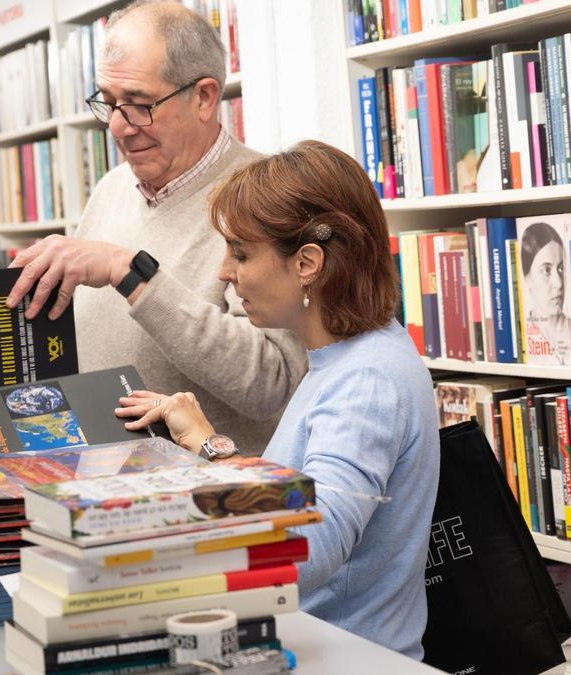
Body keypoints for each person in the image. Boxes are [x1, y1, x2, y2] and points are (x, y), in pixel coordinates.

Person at [115, 140, 440, 660]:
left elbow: (311, 544)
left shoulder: (366, 379)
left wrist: (162, 538)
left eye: (241, 253)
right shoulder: (345, 357)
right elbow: (300, 503)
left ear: (308, 262)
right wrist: (206, 444)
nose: (225, 271)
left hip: (344, 658)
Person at [5, 0, 306, 454]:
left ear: (204, 97)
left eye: (139, 105)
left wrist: (131, 273)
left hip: (209, 503)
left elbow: (270, 382)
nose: (120, 129)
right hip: (98, 488)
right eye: (108, 104)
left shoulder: (265, 196)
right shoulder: (111, 188)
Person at [520, 221, 571, 365]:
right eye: (546, 270)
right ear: (528, 278)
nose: (559, 283)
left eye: (561, 268)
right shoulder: (519, 337)